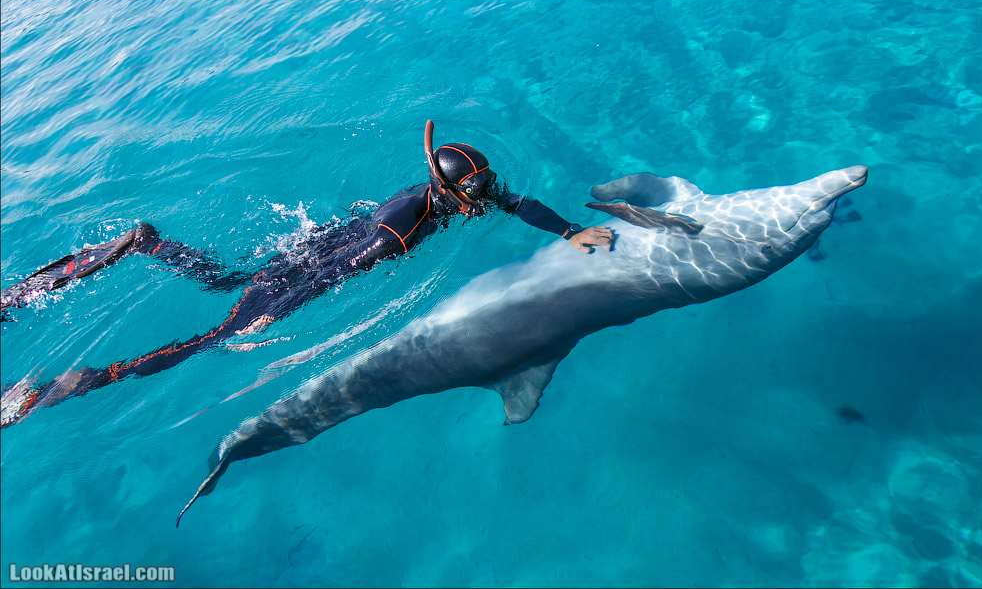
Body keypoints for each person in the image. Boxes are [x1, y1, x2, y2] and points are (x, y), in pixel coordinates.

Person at [0, 121, 612, 428]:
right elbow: (335, 273)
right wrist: (274, 310)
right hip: (318, 265)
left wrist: (567, 232)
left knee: (221, 280)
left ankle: (145, 244)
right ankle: (76, 382)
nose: (484, 195)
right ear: (449, 187)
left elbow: (515, 203)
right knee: (224, 331)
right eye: (473, 187)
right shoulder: (399, 231)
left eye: (483, 183)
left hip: (322, 242)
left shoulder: (448, 195)